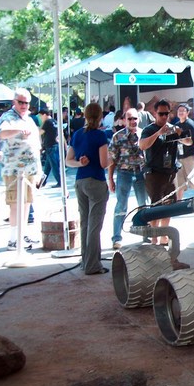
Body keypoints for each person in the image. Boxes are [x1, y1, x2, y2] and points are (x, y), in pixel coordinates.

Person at [65, 103, 110, 274]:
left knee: (85, 223)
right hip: (96, 181)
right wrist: (115, 157)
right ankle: (92, 265)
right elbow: (103, 163)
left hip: (80, 180)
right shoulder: (100, 135)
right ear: (100, 117)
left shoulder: (77, 135)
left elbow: (68, 161)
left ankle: (87, 261)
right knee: (94, 226)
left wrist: (79, 163)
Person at [0, 88, 43, 251]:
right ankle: (13, 239)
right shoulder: (9, 117)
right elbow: (1, 133)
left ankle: (22, 234)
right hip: (14, 170)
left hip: (30, 169)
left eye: (26, 102)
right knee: (16, 203)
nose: (24, 105)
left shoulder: (29, 119)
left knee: (27, 202)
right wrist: (18, 130)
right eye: (21, 102)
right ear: (14, 102)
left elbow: (36, 145)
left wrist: (39, 169)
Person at [139, 99, 185, 248]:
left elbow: (189, 142)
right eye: (161, 114)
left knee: (169, 205)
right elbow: (142, 145)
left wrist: (180, 134)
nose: (164, 117)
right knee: (155, 206)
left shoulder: (173, 128)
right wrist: (159, 133)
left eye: (167, 113)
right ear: (155, 113)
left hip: (170, 173)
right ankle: (154, 237)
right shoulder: (149, 129)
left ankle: (164, 235)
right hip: (154, 173)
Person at [107, 108, 148, 250]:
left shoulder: (144, 134)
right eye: (129, 118)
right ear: (124, 120)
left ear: (139, 119)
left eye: (135, 118)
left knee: (143, 204)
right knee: (121, 206)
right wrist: (110, 179)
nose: (132, 121)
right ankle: (116, 238)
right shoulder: (117, 137)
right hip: (124, 173)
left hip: (141, 173)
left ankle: (146, 234)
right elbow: (112, 159)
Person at [173, 103, 194, 201]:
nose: (181, 112)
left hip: (190, 157)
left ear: (187, 113)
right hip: (179, 158)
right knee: (179, 184)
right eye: (179, 111)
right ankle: (178, 204)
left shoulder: (190, 124)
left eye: (183, 110)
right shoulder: (176, 126)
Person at [38, 108, 62, 188]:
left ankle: (60, 182)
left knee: (54, 166)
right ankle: (43, 182)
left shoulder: (47, 122)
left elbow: (40, 132)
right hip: (54, 145)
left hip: (50, 146)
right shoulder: (54, 121)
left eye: (41, 116)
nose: (41, 118)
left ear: (44, 115)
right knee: (47, 167)